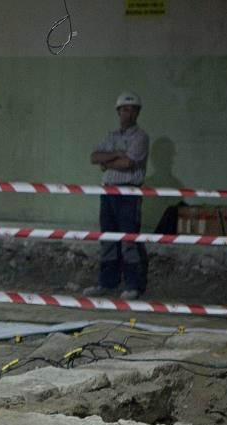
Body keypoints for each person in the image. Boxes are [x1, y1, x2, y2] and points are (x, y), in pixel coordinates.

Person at [85, 91, 150, 300]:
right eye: (123, 110)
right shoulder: (111, 136)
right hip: (108, 191)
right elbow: (94, 157)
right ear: (118, 112)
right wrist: (115, 155)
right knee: (108, 238)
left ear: (137, 112)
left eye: (131, 110)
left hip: (129, 192)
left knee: (128, 239)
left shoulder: (140, 137)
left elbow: (129, 162)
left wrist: (108, 161)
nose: (127, 114)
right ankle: (107, 282)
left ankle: (134, 285)